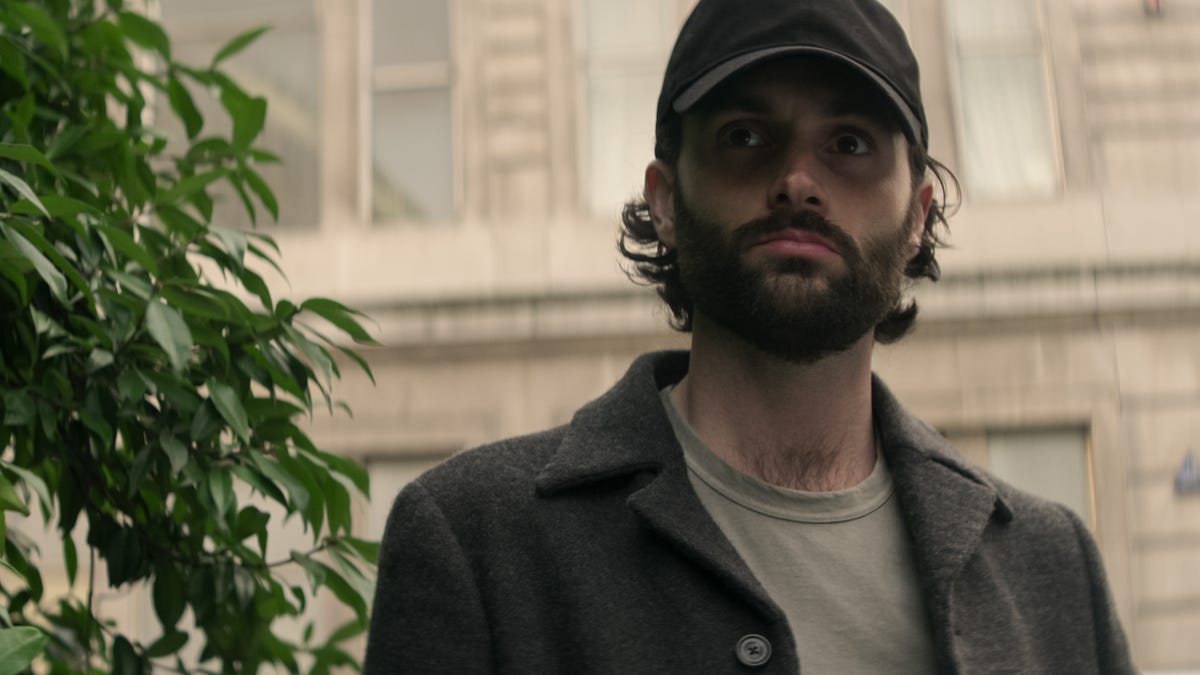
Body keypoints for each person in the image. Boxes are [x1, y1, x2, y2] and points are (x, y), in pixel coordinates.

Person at [364, 0, 1136, 672]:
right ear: (664, 199)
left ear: (918, 217)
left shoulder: (1051, 564)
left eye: (850, 144)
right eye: (744, 135)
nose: (798, 179)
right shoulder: (477, 542)